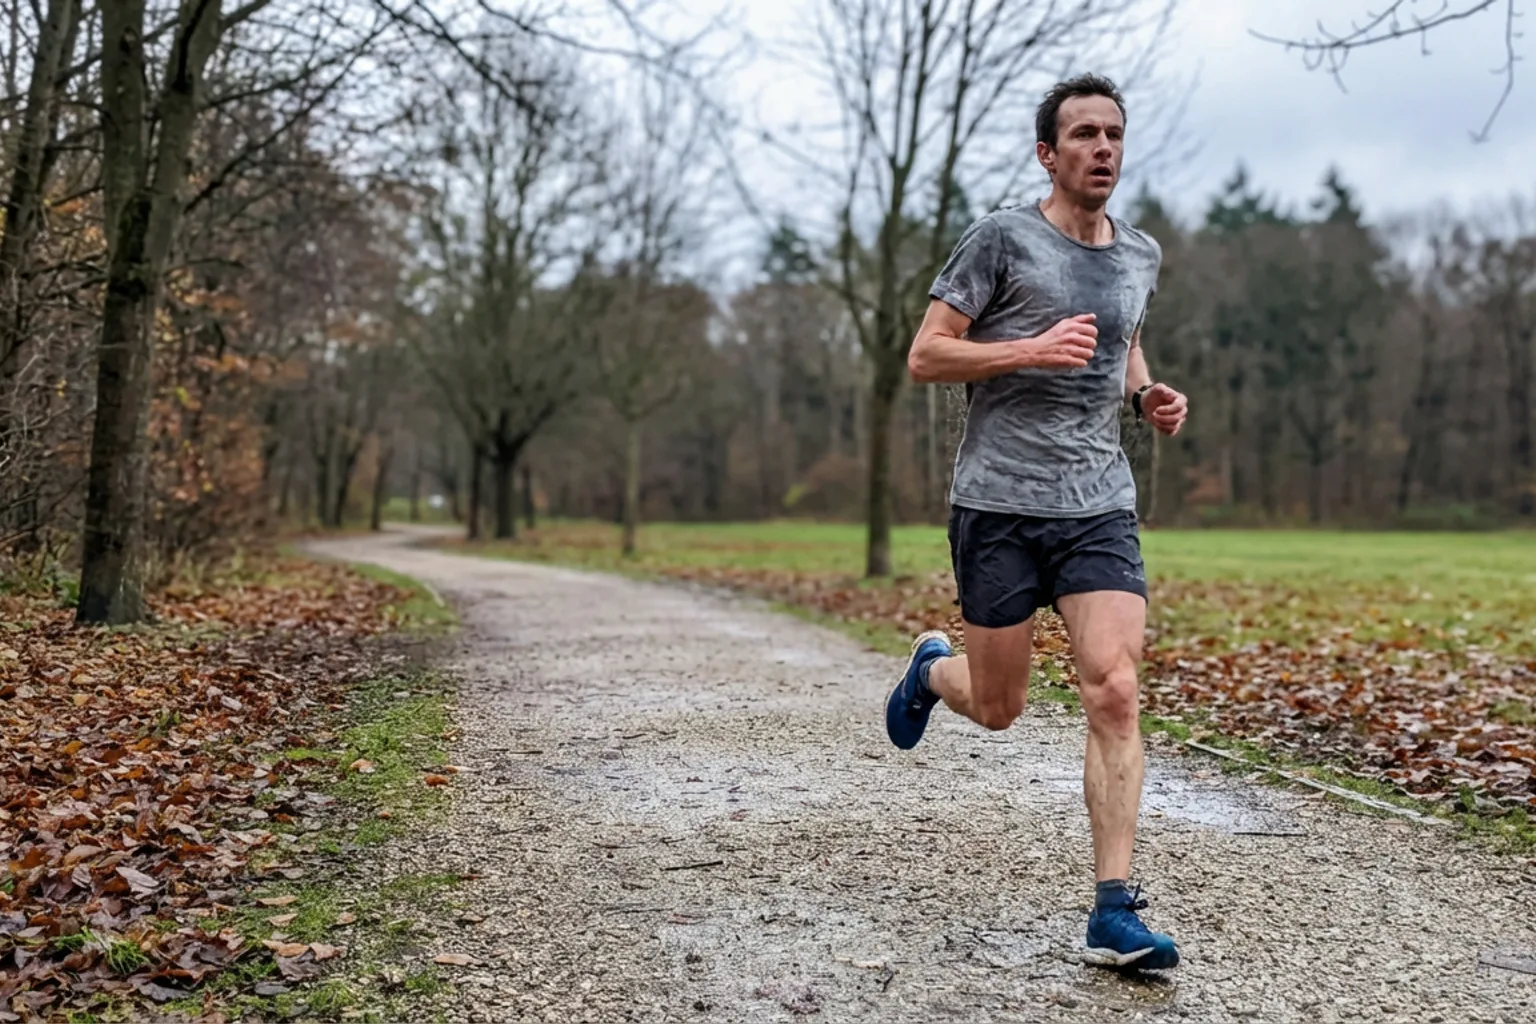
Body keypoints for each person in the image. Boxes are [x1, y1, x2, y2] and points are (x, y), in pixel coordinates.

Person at [884, 73, 1190, 970]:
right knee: (1000, 705)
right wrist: (1026, 349)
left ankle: (1112, 907)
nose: (1103, 148)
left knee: (1115, 688)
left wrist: (1147, 395)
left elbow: (1123, 336)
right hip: (1000, 504)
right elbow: (926, 354)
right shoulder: (1000, 239)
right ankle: (935, 669)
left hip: (1097, 501)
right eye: (1084, 134)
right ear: (1048, 154)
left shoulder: (1140, 254)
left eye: (1114, 134)